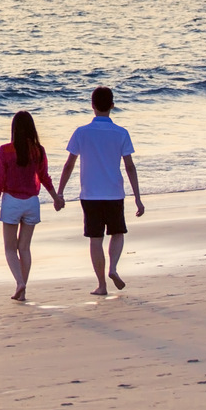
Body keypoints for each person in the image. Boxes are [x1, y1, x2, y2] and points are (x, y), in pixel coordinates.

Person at [57, 85, 144, 295]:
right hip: (114, 192)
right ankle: (113, 268)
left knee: (95, 239)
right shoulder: (121, 133)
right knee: (117, 232)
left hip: (90, 194)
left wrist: (60, 192)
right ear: (112, 105)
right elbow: (130, 167)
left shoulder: (81, 132)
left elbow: (69, 165)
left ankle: (102, 285)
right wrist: (137, 198)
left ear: (92, 105)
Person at [0, 110, 64, 302]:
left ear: (14, 129)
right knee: (24, 248)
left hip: (12, 201)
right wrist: (55, 197)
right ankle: (22, 290)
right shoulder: (38, 151)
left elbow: (0, 180)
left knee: (9, 248)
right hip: (32, 202)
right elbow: (44, 177)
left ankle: (19, 282)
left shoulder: (5, 150)